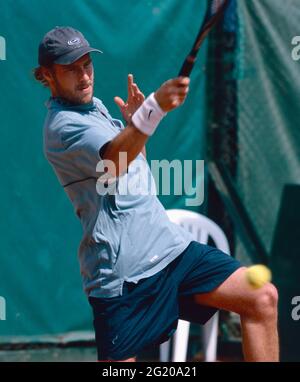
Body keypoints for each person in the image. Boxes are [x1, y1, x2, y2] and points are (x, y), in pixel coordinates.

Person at [35, 26, 279, 362]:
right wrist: (152, 111)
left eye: (87, 64)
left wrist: (138, 125)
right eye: (70, 69)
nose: (83, 75)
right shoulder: (62, 127)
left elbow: (131, 172)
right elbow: (115, 164)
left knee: (261, 298)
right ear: (47, 75)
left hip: (171, 251)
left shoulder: (96, 108)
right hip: (124, 278)